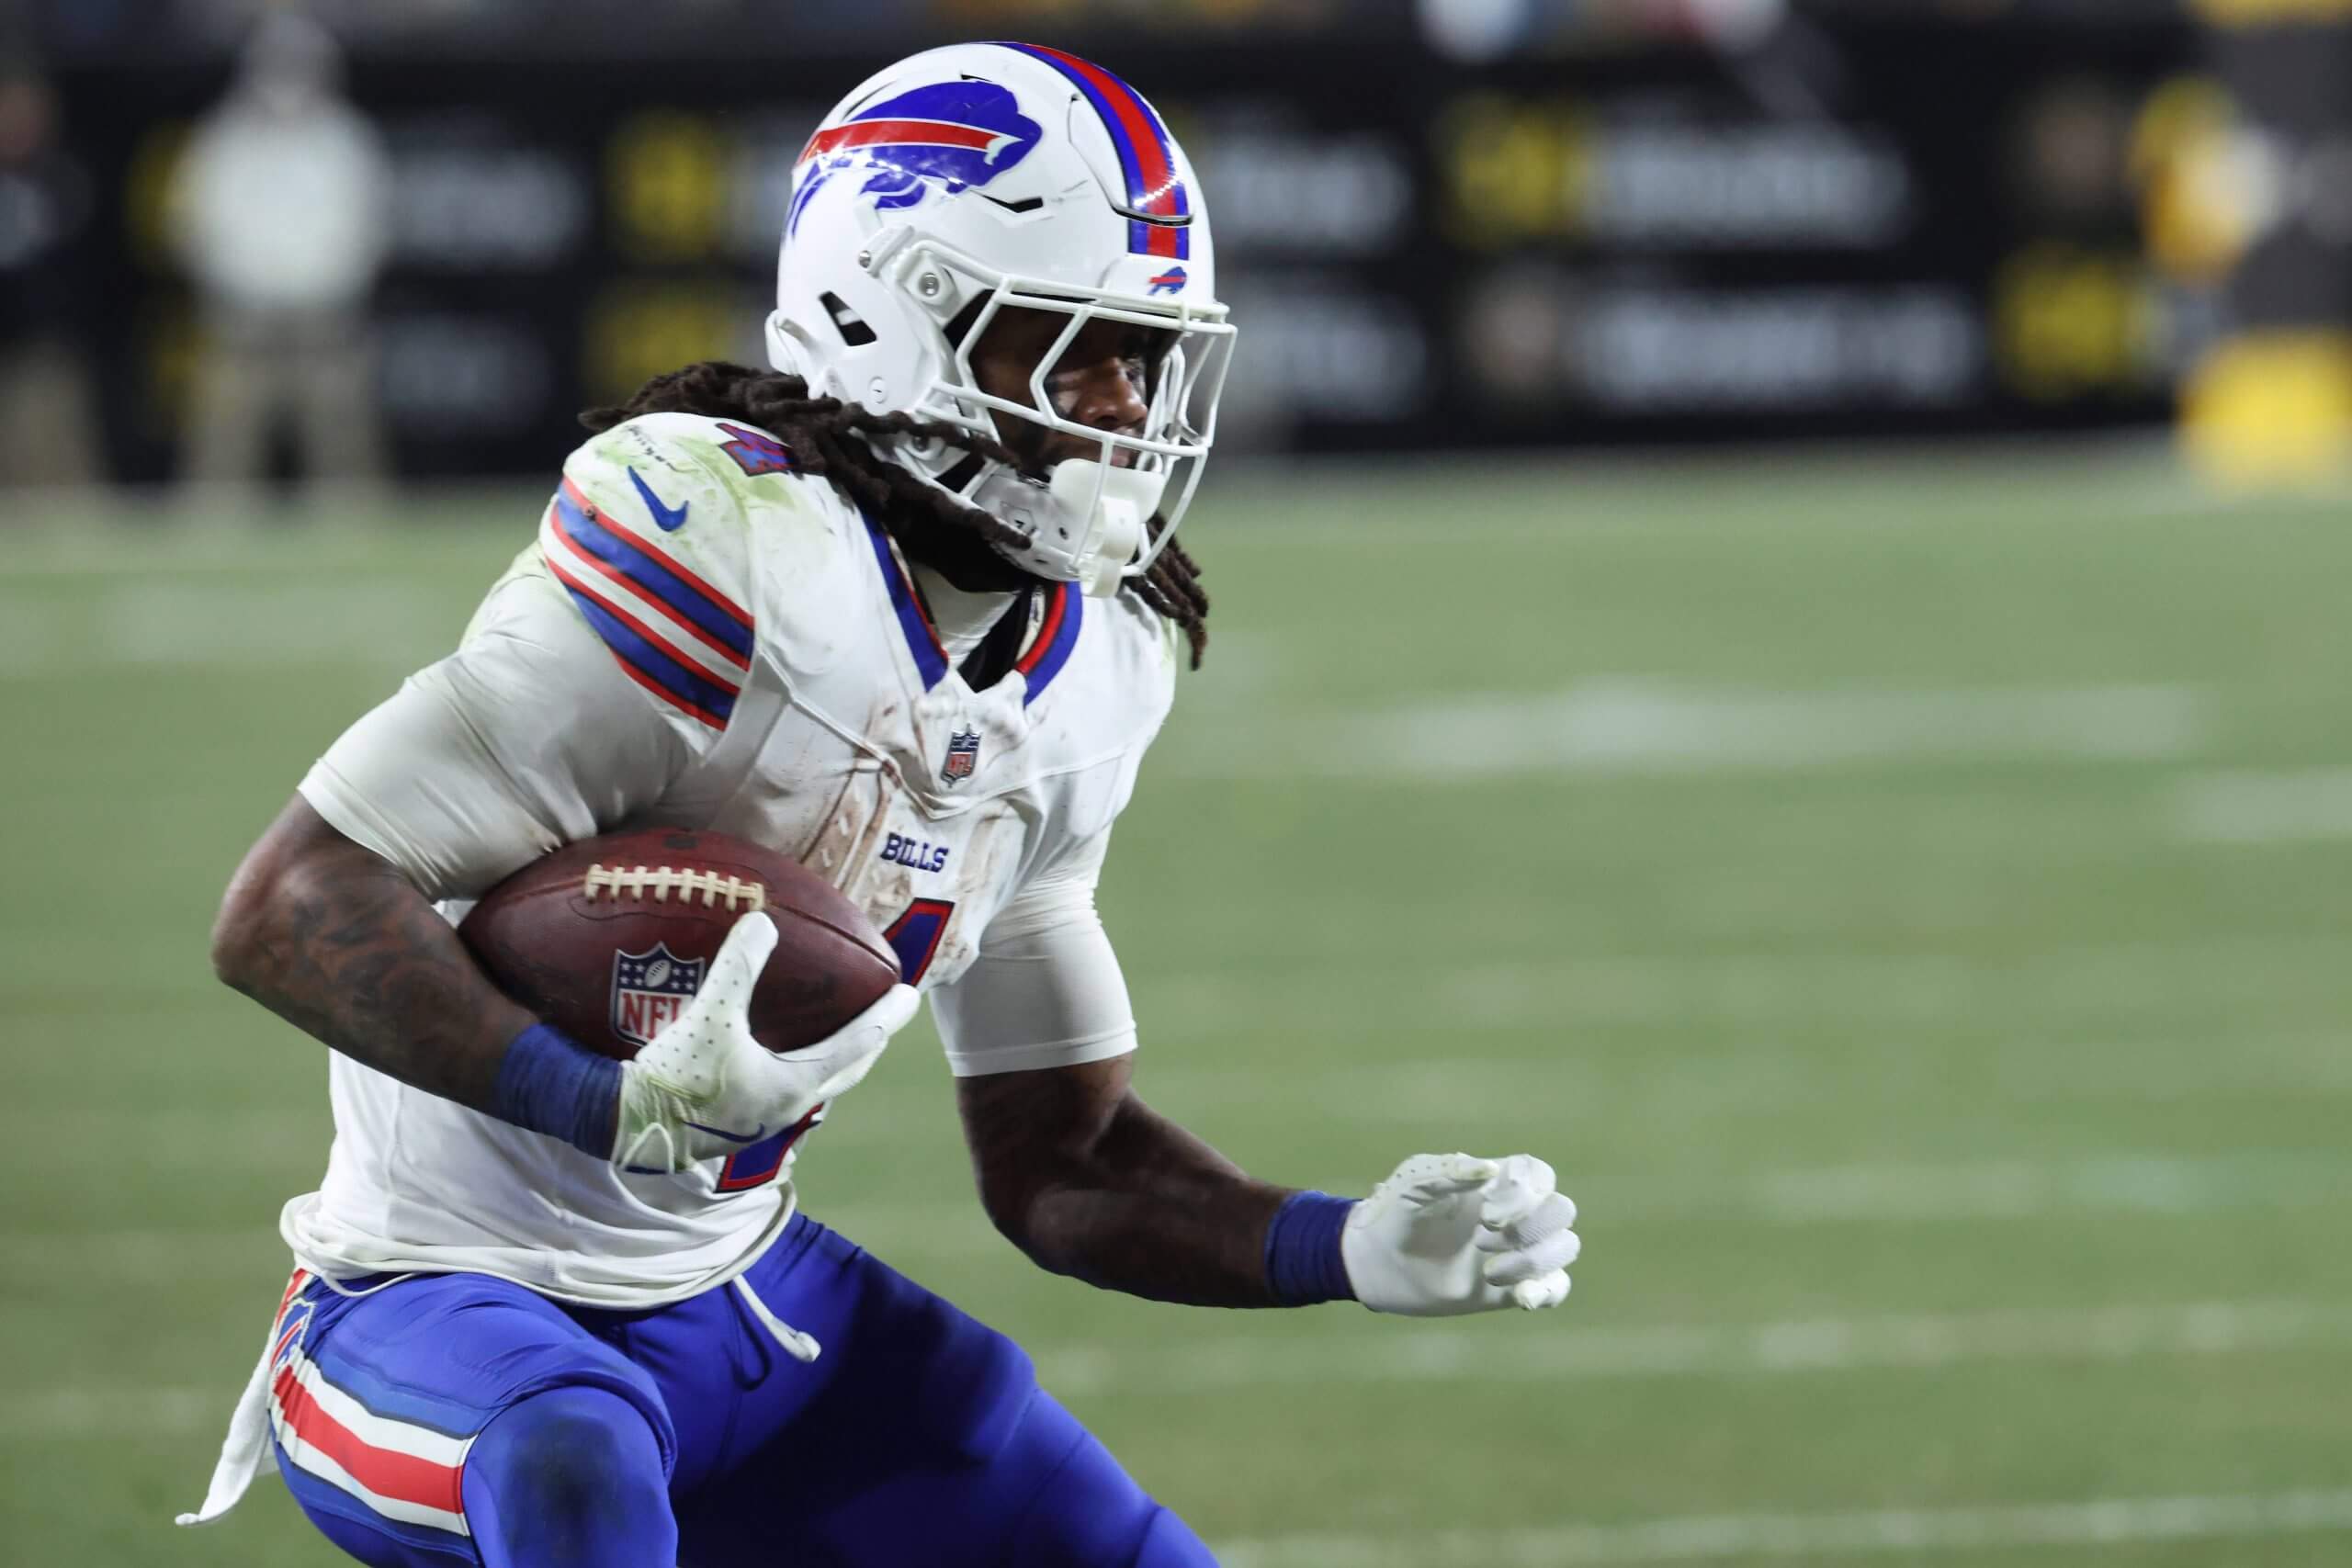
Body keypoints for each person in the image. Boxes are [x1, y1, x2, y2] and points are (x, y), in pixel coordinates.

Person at [183, 41, 1581, 1567]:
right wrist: (607, 1104)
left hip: (745, 1303)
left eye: (1145, 356)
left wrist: (1344, 1241)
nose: (1124, 408)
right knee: (572, 1465)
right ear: (889, 321)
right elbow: (291, 904)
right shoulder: (734, 554)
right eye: (1071, 349)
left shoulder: (1089, 668)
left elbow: (1064, 1162)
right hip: (432, 1302)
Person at [174, 12, 390, 498]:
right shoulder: (223, 141)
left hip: (325, 323)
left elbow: (367, 230)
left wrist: (323, 290)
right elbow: (197, 228)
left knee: (344, 454)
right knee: (223, 453)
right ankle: (212, 530)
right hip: (242, 324)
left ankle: (354, 530)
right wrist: (246, 289)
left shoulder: (347, 141)